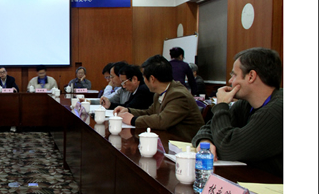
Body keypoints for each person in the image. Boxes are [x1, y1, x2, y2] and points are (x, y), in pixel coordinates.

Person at [191, 48, 283, 177]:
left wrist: (221, 105)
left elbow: (228, 148)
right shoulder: (246, 104)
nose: (230, 81)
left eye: (234, 75)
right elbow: (210, 127)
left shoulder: (277, 110)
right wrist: (205, 142)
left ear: (251, 76)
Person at [113, 55, 204, 142]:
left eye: (144, 77)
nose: (144, 80)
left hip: (184, 144)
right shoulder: (160, 92)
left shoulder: (179, 95)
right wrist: (128, 111)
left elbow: (162, 121)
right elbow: (150, 112)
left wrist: (133, 120)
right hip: (168, 139)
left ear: (152, 79)